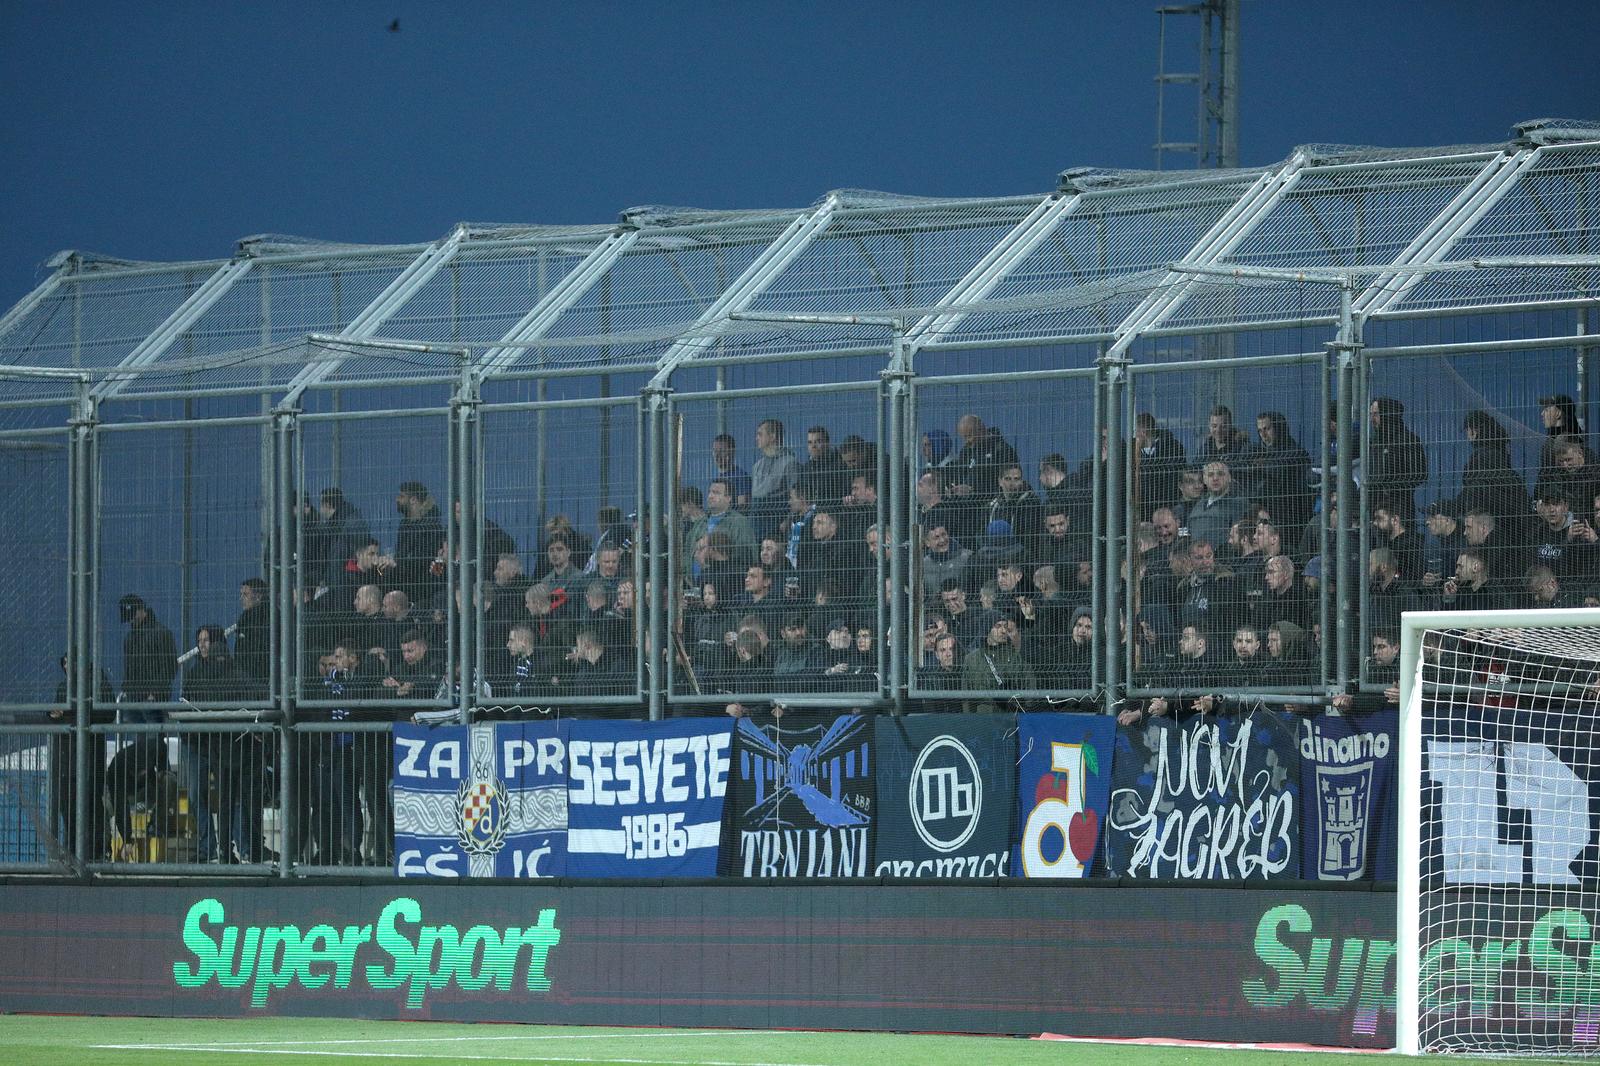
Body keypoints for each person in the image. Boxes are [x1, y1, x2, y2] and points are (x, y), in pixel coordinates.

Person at [1367, 397, 1427, 523]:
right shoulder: (1374, 442)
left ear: (1388, 414)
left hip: (1399, 507)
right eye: (1371, 414)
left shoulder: (1408, 440)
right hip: (1375, 505)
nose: (1372, 419)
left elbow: (1419, 474)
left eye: (1376, 414)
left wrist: (1390, 487)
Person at [961, 614, 1035, 713]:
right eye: (998, 626)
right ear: (987, 629)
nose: (1004, 631)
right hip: (984, 718)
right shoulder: (972, 659)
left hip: (1013, 716)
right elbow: (967, 696)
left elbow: (1029, 687)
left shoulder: (1016, 656)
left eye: (1005, 626)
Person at [393, 481, 446, 603]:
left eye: (401, 496)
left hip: (423, 588)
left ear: (413, 500)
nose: (397, 500)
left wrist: (398, 563)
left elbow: (422, 559)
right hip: (404, 583)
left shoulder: (431, 527)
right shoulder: (404, 525)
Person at [233, 577, 272, 686]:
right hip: (246, 676)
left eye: (245, 594)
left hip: (258, 676)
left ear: (258, 596)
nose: (241, 598)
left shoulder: (266, 618)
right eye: (241, 594)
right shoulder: (246, 618)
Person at [709, 433, 753, 511]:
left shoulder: (740, 476)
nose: (717, 455)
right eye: (715, 451)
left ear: (732, 452)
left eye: (722, 451)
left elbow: (743, 506)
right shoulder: (719, 477)